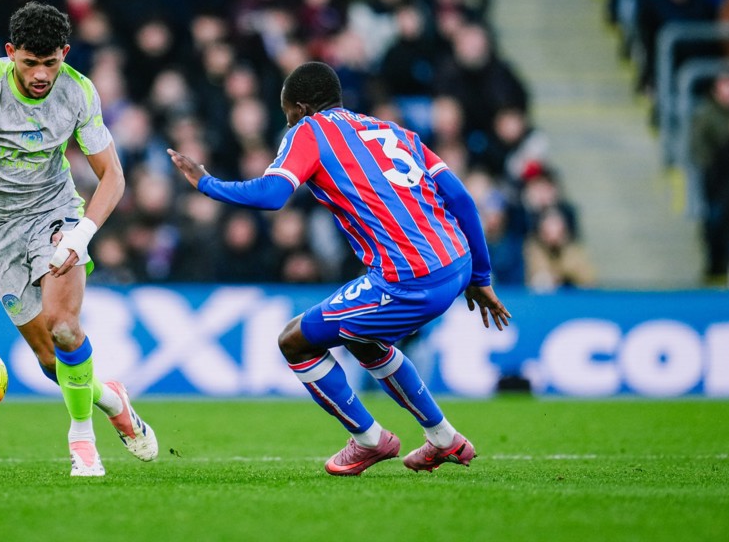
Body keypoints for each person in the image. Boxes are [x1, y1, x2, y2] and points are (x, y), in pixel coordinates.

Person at [169, 61, 511, 476]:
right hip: (455, 263)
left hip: (409, 277)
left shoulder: (308, 131)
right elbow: (460, 199)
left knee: (295, 341)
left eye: (287, 114)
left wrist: (207, 183)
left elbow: (274, 194)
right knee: (362, 338)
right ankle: (444, 439)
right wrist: (479, 277)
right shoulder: (392, 131)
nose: (287, 123)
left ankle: (369, 440)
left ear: (300, 106)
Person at [0, 1, 157, 477]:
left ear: (65, 53)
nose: (41, 74)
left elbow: (113, 177)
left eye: (50, 63)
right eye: (30, 63)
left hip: (53, 213)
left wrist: (82, 233)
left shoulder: (79, 92)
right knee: (48, 361)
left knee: (64, 326)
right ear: (10, 52)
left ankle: (82, 439)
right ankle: (109, 397)